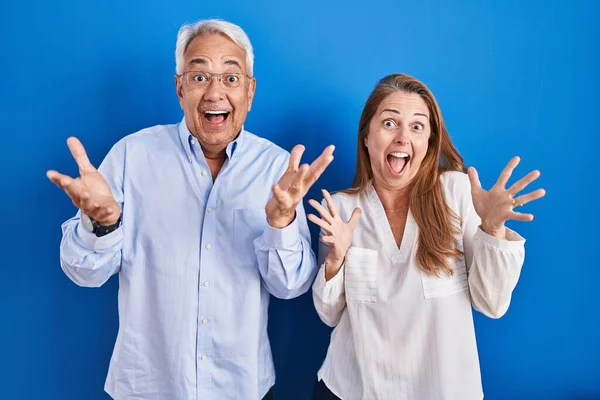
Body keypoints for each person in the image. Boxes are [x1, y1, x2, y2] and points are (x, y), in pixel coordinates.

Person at [46, 19, 333, 400]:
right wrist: (103, 224)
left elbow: (290, 287)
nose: (215, 92)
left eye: (231, 78)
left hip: (242, 388)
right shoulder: (132, 155)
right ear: (179, 87)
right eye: (199, 77)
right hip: (148, 387)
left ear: (250, 91)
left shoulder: (276, 168)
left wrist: (281, 223)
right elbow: (84, 273)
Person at [308, 73, 545, 400]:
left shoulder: (456, 192)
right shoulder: (341, 208)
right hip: (352, 389)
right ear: (366, 135)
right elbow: (329, 314)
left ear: (430, 141)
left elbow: (492, 303)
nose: (403, 137)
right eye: (390, 123)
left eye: (417, 127)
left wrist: (492, 228)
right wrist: (335, 259)